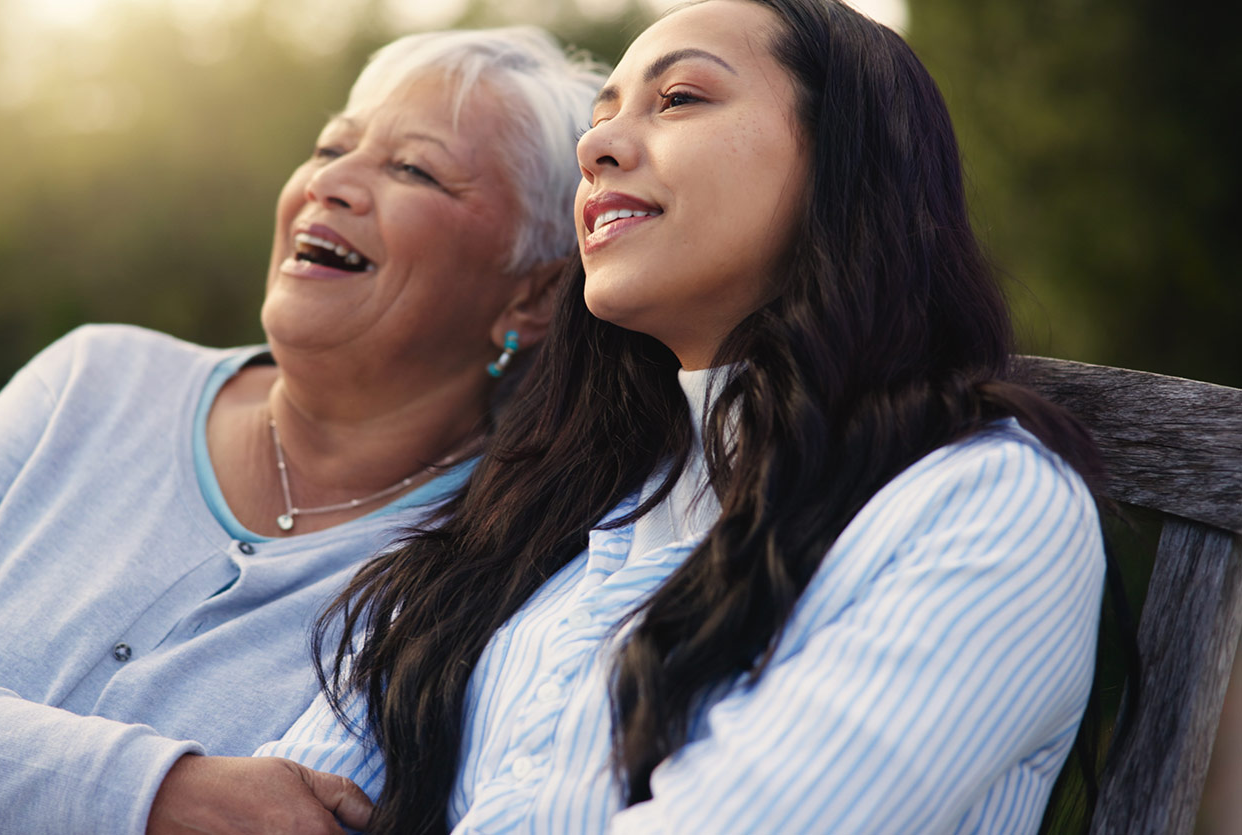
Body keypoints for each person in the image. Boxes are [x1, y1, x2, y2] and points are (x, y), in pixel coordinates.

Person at [255, 1, 1114, 833]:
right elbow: (285, 805)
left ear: (847, 158)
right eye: (602, 115)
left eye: (679, 99)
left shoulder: (984, 505)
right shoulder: (551, 506)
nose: (596, 146)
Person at [0, 27, 605, 835]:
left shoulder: (510, 568)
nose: (334, 183)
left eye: (414, 169)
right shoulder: (94, 380)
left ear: (532, 296)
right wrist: (164, 795)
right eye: (328, 149)